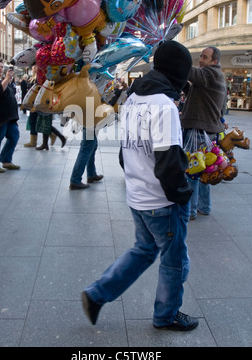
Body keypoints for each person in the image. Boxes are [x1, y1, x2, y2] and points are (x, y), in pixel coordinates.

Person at [82, 40, 199, 331]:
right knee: (175, 262)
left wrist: (136, 179)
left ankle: (97, 294)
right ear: (179, 73)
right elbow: (168, 162)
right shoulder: (164, 106)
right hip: (161, 201)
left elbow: (126, 151)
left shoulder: (133, 99)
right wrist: (182, 195)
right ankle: (167, 315)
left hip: (137, 196)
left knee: (144, 249)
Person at [180, 46, 227, 220]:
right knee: (205, 170)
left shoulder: (211, 74)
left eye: (205, 57)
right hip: (206, 131)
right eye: (200, 56)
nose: (200, 60)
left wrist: (176, 55)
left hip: (199, 132)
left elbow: (190, 72)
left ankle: (190, 211)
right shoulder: (212, 78)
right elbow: (193, 93)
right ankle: (204, 207)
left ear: (214, 61)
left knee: (193, 171)